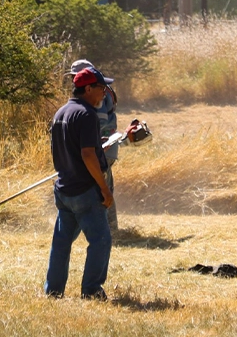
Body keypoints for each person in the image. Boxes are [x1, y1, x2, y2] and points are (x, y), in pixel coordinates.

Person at [44, 67, 137, 301]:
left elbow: (72, 147)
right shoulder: (86, 115)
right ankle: (92, 290)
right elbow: (87, 155)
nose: (105, 93)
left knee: (62, 243)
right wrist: (104, 189)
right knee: (101, 240)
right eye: (101, 88)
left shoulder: (61, 113)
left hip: (64, 189)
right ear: (88, 88)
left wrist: (106, 141)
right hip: (85, 191)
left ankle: (53, 291)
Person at [68, 60, 121, 232]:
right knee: (103, 187)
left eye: (74, 77)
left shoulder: (98, 95)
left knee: (101, 189)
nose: (72, 81)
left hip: (100, 148)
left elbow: (96, 123)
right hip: (103, 148)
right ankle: (109, 229)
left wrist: (89, 145)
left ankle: (108, 230)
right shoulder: (99, 91)